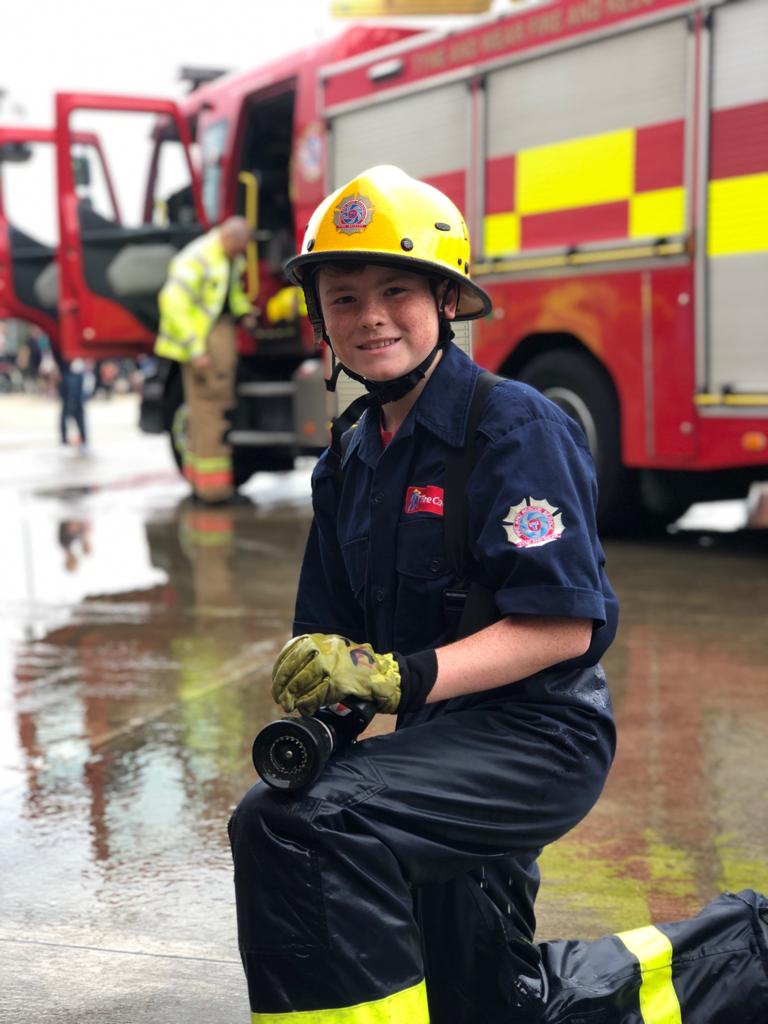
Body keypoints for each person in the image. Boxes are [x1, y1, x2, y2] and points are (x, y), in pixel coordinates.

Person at [228, 166, 618, 1024]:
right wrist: (323, 696)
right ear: (319, 318)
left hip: (539, 738)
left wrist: (398, 679)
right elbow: (332, 636)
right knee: (484, 996)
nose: (369, 316)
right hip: (435, 748)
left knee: (292, 825)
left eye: (396, 289)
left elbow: (558, 626)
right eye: (343, 295)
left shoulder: (513, 426)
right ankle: (742, 958)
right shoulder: (349, 459)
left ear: (446, 302)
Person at [155, 216, 258, 505]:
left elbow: (229, 296)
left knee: (209, 414)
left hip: (215, 341)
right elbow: (172, 302)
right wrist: (195, 349)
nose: (242, 255)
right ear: (230, 239)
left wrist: (244, 313)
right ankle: (213, 492)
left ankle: (204, 486)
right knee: (210, 414)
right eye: (240, 248)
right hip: (205, 346)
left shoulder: (225, 260)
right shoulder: (198, 258)